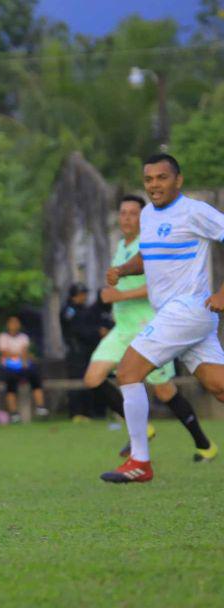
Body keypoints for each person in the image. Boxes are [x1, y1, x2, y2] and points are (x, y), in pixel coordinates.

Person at [102, 153, 224, 483]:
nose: (155, 185)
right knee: (219, 386)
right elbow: (150, 254)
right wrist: (124, 270)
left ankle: (140, 461)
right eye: (149, 179)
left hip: (186, 311)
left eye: (162, 178)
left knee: (127, 371)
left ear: (178, 180)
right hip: (182, 317)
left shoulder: (194, 211)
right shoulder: (148, 217)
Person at [83, 195, 216, 460]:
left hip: (150, 326)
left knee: (166, 391)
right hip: (122, 329)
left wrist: (119, 296)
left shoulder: (153, 244)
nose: (127, 218)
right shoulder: (122, 245)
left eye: (133, 213)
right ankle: (142, 430)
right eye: (122, 213)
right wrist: (116, 278)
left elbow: (154, 286)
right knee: (93, 378)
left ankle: (204, 445)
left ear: (143, 217)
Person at [61, 283, 103, 420]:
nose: (85, 297)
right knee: (76, 381)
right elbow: (77, 330)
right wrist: (97, 332)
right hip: (76, 351)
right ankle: (76, 413)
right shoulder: (69, 310)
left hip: (88, 351)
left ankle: (91, 412)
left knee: (90, 380)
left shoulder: (85, 309)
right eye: (82, 294)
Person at [0, 315, 49, 421]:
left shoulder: (23, 337)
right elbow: (5, 353)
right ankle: (14, 412)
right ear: (8, 325)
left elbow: (24, 353)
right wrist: (19, 355)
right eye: (12, 323)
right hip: (8, 366)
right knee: (11, 384)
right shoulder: (3, 337)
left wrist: (21, 357)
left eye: (16, 323)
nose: (14, 325)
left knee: (35, 377)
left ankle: (40, 406)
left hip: (22, 365)